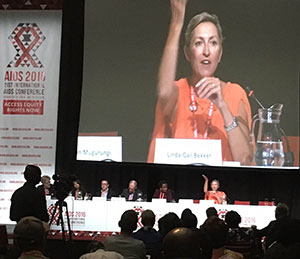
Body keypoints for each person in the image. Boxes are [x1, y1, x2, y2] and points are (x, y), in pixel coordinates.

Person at [147, 0, 253, 165]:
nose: (206, 51)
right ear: (188, 53)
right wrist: (176, 25)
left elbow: (245, 159)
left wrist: (223, 106)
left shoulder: (235, 93)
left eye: (213, 43)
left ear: (220, 54)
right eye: (198, 43)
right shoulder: (179, 90)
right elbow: (164, 92)